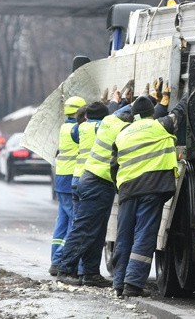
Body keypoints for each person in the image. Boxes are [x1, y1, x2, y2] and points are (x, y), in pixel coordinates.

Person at [111, 93, 188, 297]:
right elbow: (178, 114)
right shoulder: (159, 126)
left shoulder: (122, 134)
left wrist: (121, 187)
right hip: (152, 189)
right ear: (150, 114)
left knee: (124, 236)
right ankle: (133, 284)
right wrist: (188, 95)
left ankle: (119, 283)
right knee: (144, 235)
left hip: (128, 190)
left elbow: (113, 166)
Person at [56, 102, 120, 287]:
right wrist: (119, 103)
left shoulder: (81, 127)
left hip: (80, 180)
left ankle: (90, 272)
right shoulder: (101, 127)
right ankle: (66, 269)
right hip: (94, 182)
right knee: (84, 229)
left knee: (96, 230)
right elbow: (114, 119)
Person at [49, 95, 86, 276]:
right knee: (74, 222)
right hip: (71, 178)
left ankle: (55, 261)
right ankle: (62, 258)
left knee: (62, 222)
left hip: (61, 179)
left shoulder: (64, 127)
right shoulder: (77, 130)